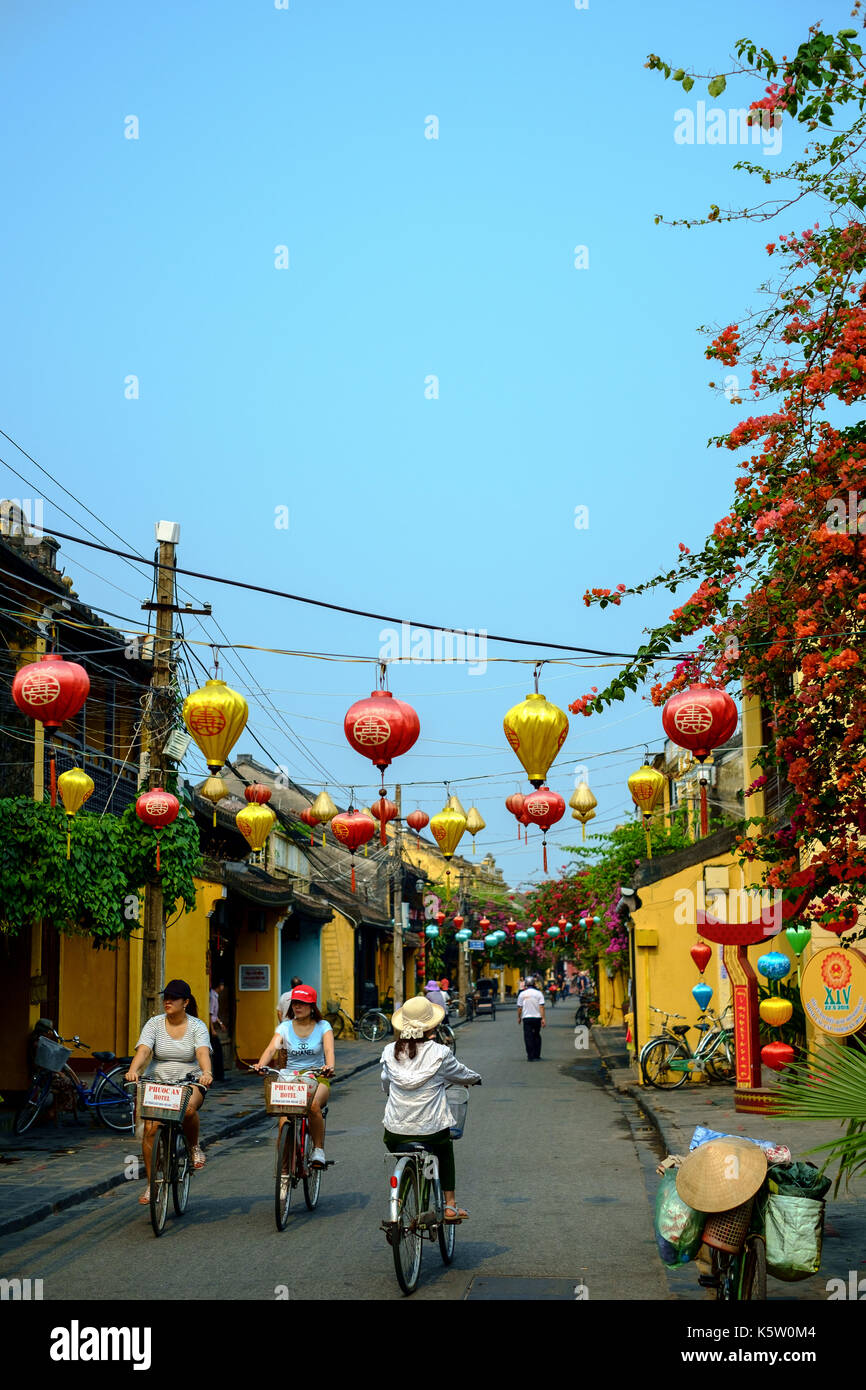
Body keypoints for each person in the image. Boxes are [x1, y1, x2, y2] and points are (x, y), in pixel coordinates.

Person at [380, 994, 481, 1223]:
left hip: (395, 1132)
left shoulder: (389, 1052)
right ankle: (450, 1206)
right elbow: (461, 1074)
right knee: (444, 1151)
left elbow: (385, 1084)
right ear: (431, 1026)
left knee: (402, 1151)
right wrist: (476, 1079)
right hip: (431, 1131)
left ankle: (404, 1191)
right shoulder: (440, 1053)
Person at [125, 979, 213, 1204]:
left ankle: (193, 1148)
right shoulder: (154, 1024)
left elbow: (202, 1052)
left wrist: (206, 1072)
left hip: (189, 1081)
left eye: (174, 998)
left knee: (189, 1109)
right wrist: (133, 1070)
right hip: (158, 1082)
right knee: (151, 1130)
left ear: (185, 1002)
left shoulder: (197, 1026)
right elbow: (144, 1051)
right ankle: (151, 1184)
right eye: (166, 997)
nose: (168, 1001)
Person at [255, 985, 334, 1168]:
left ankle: (318, 1150)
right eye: (295, 1003)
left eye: (303, 1003)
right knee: (284, 1124)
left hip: (316, 1076)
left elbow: (329, 1050)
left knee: (313, 1106)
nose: (297, 1007)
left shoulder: (323, 1026)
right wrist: (261, 1064)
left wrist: (329, 1066)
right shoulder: (284, 1027)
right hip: (289, 1078)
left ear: (312, 1006)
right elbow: (271, 1048)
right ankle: (284, 1172)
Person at [516, 976, 546, 1060]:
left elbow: (519, 1008)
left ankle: (530, 1056)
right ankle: (537, 1055)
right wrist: (543, 1019)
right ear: (534, 983)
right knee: (536, 1035)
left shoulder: (522, 994)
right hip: (537, 1018)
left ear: (525, 984)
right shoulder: (539, 993)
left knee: (528, 1036)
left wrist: (519, 1017)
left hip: (526, 1018)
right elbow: (542, 1007)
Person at [208, 980, 225, 1082]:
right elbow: (210, 1014)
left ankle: (219, 1075)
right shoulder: (212, 997)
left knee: (217, 1051)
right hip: (211, 1027)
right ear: (219, 986)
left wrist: (220, 1023)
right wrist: (212, 1029)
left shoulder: (215, 996)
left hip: (214, 1024)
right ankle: (219, 1076)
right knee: (217, 1051)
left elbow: (214, 1015)